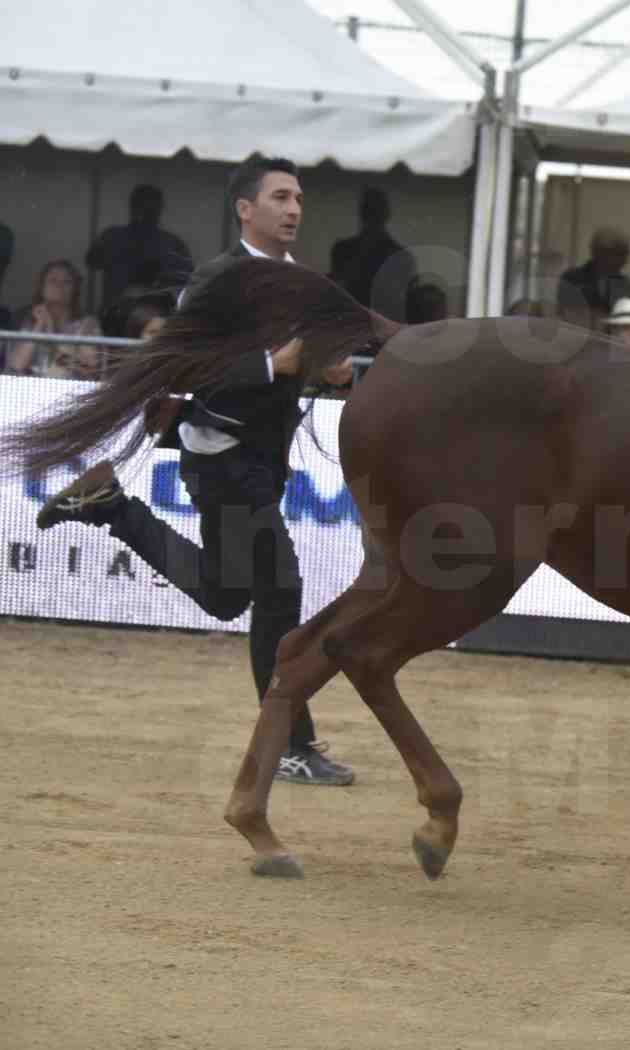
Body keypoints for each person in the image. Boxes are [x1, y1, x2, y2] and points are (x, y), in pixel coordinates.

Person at [33, 155, 356, 787]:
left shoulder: (303, 284)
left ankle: (110, 508)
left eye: (298, 199)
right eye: (281, 197)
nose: (294, 209)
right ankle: (289, 744)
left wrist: (327, 368)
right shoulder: (215, 282)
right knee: (280, 593)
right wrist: (276, 365)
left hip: (260, 463)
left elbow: (301, 362)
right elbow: (187, 369)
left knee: (227, 593)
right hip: (223, 460)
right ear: (245, 209)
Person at [86, 184, 193, 310]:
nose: (145, 211)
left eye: (150, 207)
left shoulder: (172, 243)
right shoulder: (112, 236)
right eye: (141, 206)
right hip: (115, 313)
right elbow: (91, 262)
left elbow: (185, 280)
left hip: (154, 315)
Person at [5, 260, 105, 380]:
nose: (59, 285)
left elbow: (91, 369)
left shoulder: (87, 324)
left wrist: (51, 332)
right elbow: (15, 366)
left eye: (67, 281)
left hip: (72, 392)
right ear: (42, 288)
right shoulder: (30, 322)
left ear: (75, 290)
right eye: (53, 280)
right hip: (30, 393)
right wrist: (39, 326)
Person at [330, 187, 413, 321]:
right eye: (371, 210)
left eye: (374, 211)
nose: (373, 216)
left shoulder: (343, 250)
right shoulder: (400, 256)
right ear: (387, 214)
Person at [556, 227, 630, 332]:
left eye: (625, 254)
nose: (624, 261)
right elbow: (569, 317)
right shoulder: (572, 279)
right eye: (618, 254)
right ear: (597, 252)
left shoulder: (626, 285)